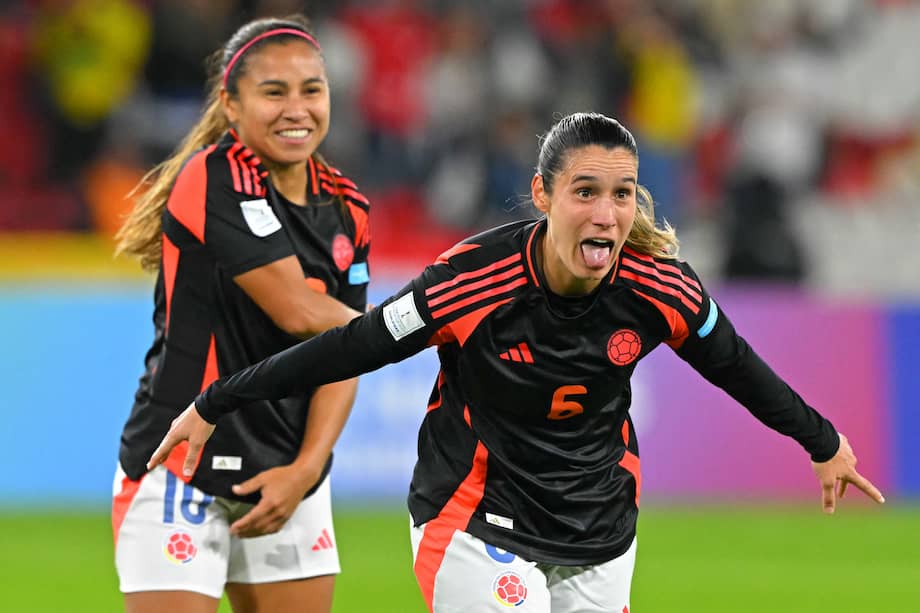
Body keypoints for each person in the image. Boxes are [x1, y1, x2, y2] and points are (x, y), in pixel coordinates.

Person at [148, 112, 884, 613]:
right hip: (475, 520)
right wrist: (218, 400)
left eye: (622, 195)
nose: (606, 214)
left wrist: (822, 442)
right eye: (585, 192)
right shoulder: (470, 283)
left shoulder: (661, 288)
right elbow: (352, 345)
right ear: (542, 196)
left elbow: (736, 365)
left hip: (599, 531)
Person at [112, 15, 371, 613]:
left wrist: (305, 470)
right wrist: (422, 326)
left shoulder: (349, 207)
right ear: (231, 104)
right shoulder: (212, 176)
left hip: (287, 475)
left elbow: (346, 355)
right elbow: (299, 310)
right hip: (179, 466)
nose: (296, 109)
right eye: (273, 91)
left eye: (311, 89)